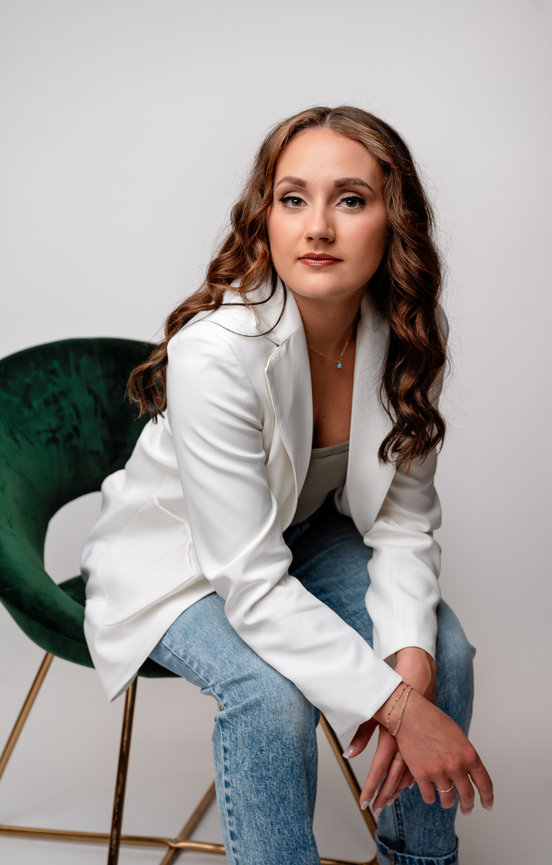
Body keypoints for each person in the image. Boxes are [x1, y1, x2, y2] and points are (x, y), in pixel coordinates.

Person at [81, 105, 493, 865]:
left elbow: (402, 521)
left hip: (295, 532)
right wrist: (399, 708)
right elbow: (248, 579)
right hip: (182, 562)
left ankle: (421, 857)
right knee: (272, 694)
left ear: (392, 220)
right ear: (264, 216)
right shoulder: (218, 351)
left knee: (448, 649)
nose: (318, 228)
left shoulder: (401, 329)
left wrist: (412, 667)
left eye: (351, 199)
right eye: (293, 198)